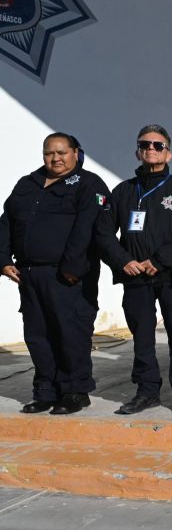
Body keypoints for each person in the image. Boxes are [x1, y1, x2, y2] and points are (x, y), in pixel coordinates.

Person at [0, 133, 111, 415]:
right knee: (38, 336)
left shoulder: (88, 185)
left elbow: (87, 228)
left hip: (68, 277)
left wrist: (72, 269)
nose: (56, 158)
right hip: (30, 275)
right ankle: (46, 391)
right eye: (50, 153)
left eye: (62, 152)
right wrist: (2, 260)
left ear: (76, 153)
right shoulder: (28, 184)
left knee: (70, 334)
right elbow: (6, 222)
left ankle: (75, 391)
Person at [97, 125, 172, 415]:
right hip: (135, 277)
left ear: (169, 153)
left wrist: (160, 260)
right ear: (137, 150)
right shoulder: (124, 190)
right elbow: (103, 234)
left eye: (158, 145)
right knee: (142, 337)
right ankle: (146, 391)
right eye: (145, 144)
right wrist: (123, 260)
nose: (151, 149)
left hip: (171, 276)